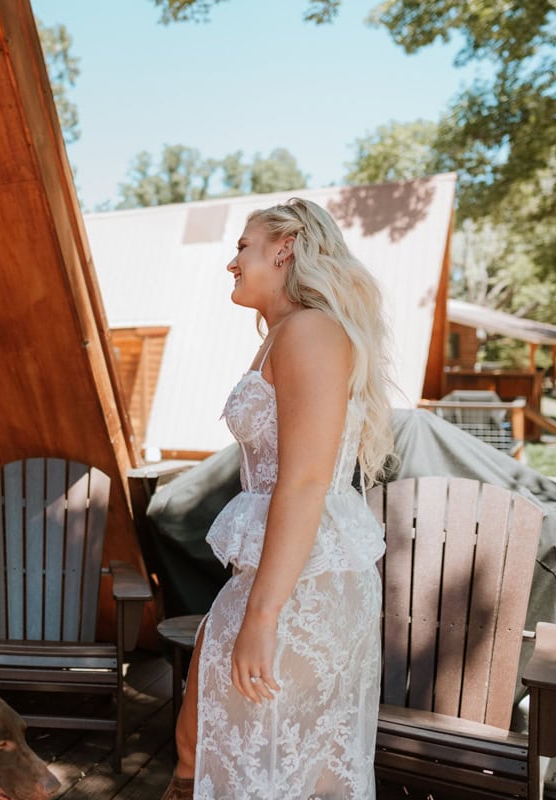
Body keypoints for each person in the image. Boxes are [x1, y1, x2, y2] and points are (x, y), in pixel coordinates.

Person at [162, 198, 394, 799]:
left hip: (305, 583)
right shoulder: (282, 336)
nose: (232, 262)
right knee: (202, 741)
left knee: (268, 765)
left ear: (285, 245)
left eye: (243, 246)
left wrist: (262, 616)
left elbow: (306, 482)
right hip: (271, 570)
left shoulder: (312, 331)